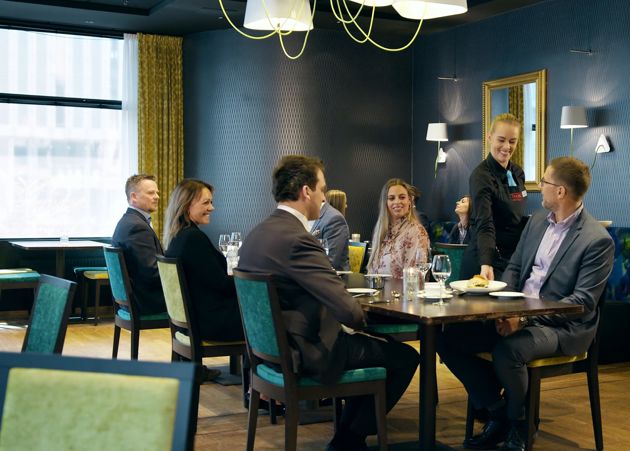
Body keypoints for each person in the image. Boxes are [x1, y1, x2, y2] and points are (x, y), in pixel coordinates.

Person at [237, 155, 419, 451]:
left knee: (377, 349)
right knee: (404, 357)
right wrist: (362, 321)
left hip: (269, 353)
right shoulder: (298, 239)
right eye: (322, 189)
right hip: (306, 352)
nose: (324, 197)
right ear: (306, 192)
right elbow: (349, 312)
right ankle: (348, 441)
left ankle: (346, 438)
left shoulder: (258, 234)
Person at [437, 157, 614, 451]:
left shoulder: (596, 240)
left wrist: (525, 320)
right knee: (449, 337)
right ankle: (499, 413)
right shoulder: (535, 223)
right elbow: (515, 269)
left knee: (509, 351)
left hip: (561, 326)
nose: (538, 189)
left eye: (544, 182)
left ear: (560, 192)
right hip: (517, 312)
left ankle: (521, 422)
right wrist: (500, 310)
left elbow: (581, 303)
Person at [162, 179, 244, 342]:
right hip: (212, 324)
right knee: (268, 318)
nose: (212, 208)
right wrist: (247, 280)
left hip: (194, 320)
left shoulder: (177, 237)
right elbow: (222, 285)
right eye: (206, 203)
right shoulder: (193, 238)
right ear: (186, 206)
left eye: (211, 202)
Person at [460, 113, 528, 281]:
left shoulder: (518, 172)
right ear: (489, 137)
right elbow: (485, 222)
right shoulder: (481, 176)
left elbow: (516, 216)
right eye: (501, 140)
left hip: (511, 260)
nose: (507, 146)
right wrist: (486, 263)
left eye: (512, 141)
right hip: (485, 259)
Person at [111, 174, 167, 315]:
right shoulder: (137, 227)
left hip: (133, 300)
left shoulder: (129, 221)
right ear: (134, 197)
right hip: (146, 302)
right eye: (150, 193)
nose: (157, 197)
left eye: (157, 193)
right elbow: (151, 272)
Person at [366, 179, 430, 279]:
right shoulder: (381, 230)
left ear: (409, 200)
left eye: (402, 197)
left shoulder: (416, 231)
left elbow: (415, 277)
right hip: (377, 291)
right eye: (391, 198)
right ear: (385, 203)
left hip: (402, 293)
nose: (397, 202)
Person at [310, 189, 351, 271]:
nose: (346, 206)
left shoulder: (335, 219)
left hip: (334, 279)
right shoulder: (309, 216)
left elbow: (331, 261)